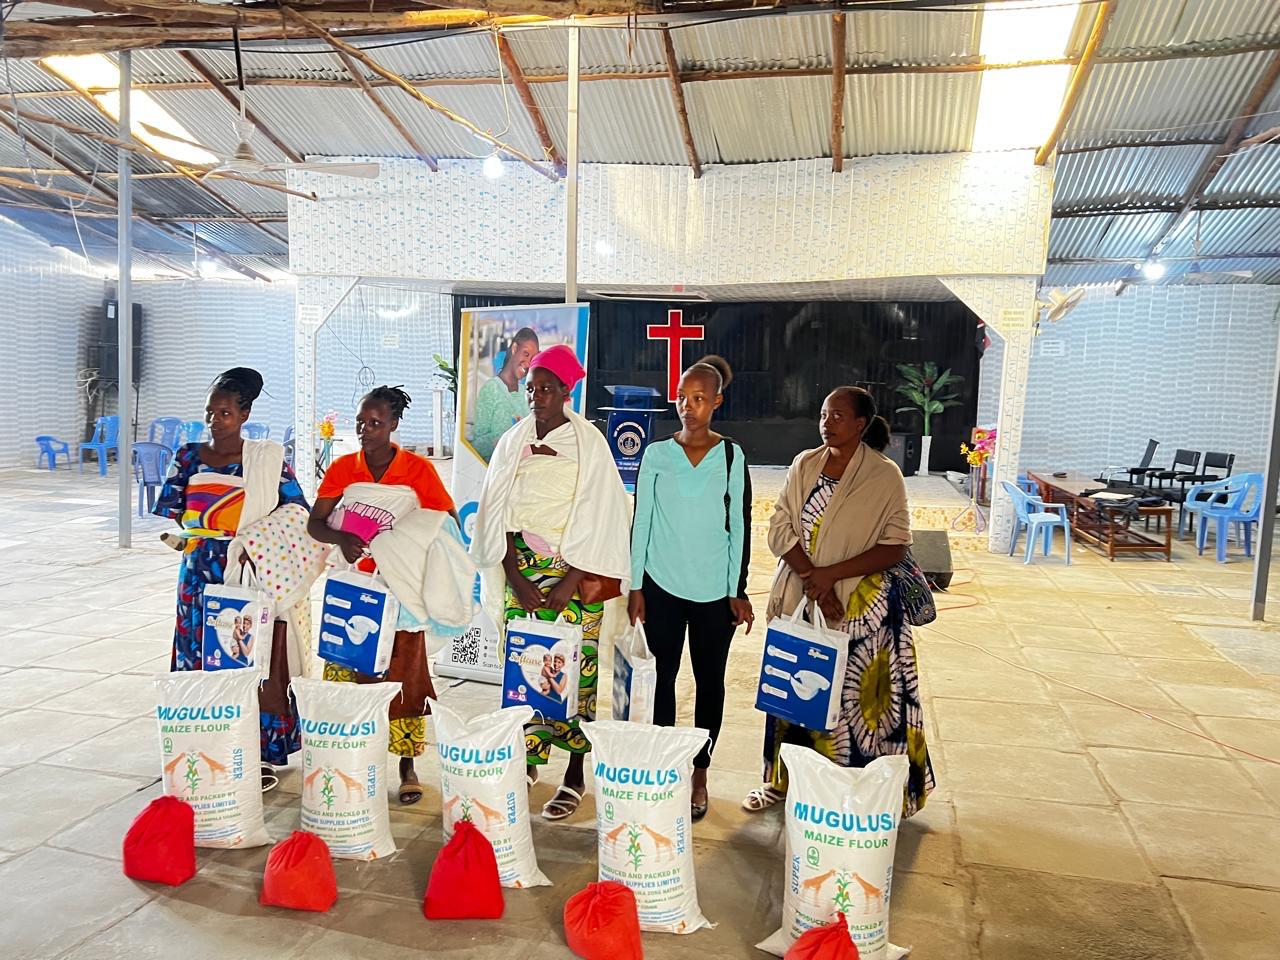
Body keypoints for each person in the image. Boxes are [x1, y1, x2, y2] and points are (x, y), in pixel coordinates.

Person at [742, 387, 934, 818]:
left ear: (861, 424)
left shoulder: (883, 475)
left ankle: (855, 792)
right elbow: (780, 526)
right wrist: (817, 581)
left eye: (838, 416)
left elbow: (895, 545)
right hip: (803, 599)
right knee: (793, 692)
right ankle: (782, 784)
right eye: (824, 414)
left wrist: (831, 576)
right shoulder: (804, 464)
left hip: (861, 610)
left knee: (855, 706)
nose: (827, 423)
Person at [470, 344, 631, 822]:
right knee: (527, 670)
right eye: (531, 388)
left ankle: (575, 774)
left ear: (566, 391)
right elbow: (496, 512)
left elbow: (602, 516)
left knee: (577, 675)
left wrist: (569, 581)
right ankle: (527, 762)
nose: (536, 396)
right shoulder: (512, 441)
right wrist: (514, 576)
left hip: (575, 579)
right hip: (522, 574)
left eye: (545, 388)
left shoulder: (589, 445)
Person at [154, 367, 308, 790]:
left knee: (244, 659)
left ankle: (255, 754)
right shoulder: (188, 456)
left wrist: (250, 539)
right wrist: (197, 531)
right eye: (210, 412)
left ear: (244, 415)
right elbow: (176, 512)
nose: (214, 420)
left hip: (245, 572)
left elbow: (297, 511)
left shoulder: (266, 460)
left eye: (224, 413)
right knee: (198, 657)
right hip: (197, 573)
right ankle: (200, 745)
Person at [306, 386, 458, 805]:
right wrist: (342, 538)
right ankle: (348, 758)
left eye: (375, 423)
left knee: (403, 676)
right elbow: (315, 523)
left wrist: (400, 547)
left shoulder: (417, 470)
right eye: (361, 422)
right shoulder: (343, 468)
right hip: (353, 590)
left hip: (399, 591)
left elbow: (444, 522)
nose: (365, 430)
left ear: (393, 425)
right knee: (346, 671)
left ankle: (407, 766)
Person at [627, 355, 754, 822]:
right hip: (661, 586)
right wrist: (635, 586)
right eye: (682, 397)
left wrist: (737, 589)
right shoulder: (656, 455)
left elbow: (739, 526)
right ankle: (667, 765)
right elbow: (641, 522)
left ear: (717, 402)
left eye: (699, 398)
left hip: (714, 593)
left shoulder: (732, 456)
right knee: (661, 679)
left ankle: (700, 771)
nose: (688, 406)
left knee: (709, 683)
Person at [472, 327, 540, 461]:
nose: (528, 363)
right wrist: (503, 441)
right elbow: (477, 445)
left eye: (532, 358)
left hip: (525, 465)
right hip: (496, 466)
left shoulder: (526, 392)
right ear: (514, 349)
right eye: (526, 354)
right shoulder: (491, 389)